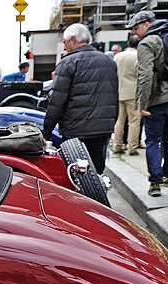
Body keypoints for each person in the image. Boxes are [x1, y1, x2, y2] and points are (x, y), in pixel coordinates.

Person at [129, 10, 168, 196]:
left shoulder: (148, 42)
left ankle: (155, 183)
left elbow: (145, 75)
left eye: (137, 28)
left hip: (157, 100)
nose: (135, 33)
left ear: (147, 24)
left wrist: (142, 103)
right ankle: (167, 175)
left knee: (153, 141)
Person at [43, 23, 118, 174]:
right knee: (96, 174)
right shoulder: (109, 62)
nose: (65, 48)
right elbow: (114, 96)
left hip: (75, 130)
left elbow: (57, 101)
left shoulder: (67, 63)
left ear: (72, 39)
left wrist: (47, 132)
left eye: (64, 43)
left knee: (76, 175)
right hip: (102, 129)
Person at [113, 35, 142, 156]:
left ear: (128, 43)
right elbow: (140, 75)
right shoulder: (139, 56)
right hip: (133, 92)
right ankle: (132, 147)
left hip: (119, 91)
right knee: (134, 122)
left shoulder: (117, 56)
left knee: (120, 121)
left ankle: (117, 145)